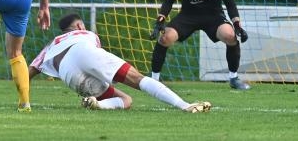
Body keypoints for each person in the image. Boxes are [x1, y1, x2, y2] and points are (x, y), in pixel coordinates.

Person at [28, 13, 211, 113]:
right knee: (137, 79)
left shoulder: (52, 44)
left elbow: (30, 71)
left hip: (67, 74)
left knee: (125, 100)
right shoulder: (86, 34)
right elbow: (93, 59)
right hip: (82, 51)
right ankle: (184, 105)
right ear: (79, 26)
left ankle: (98, 104)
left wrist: (24, 101)